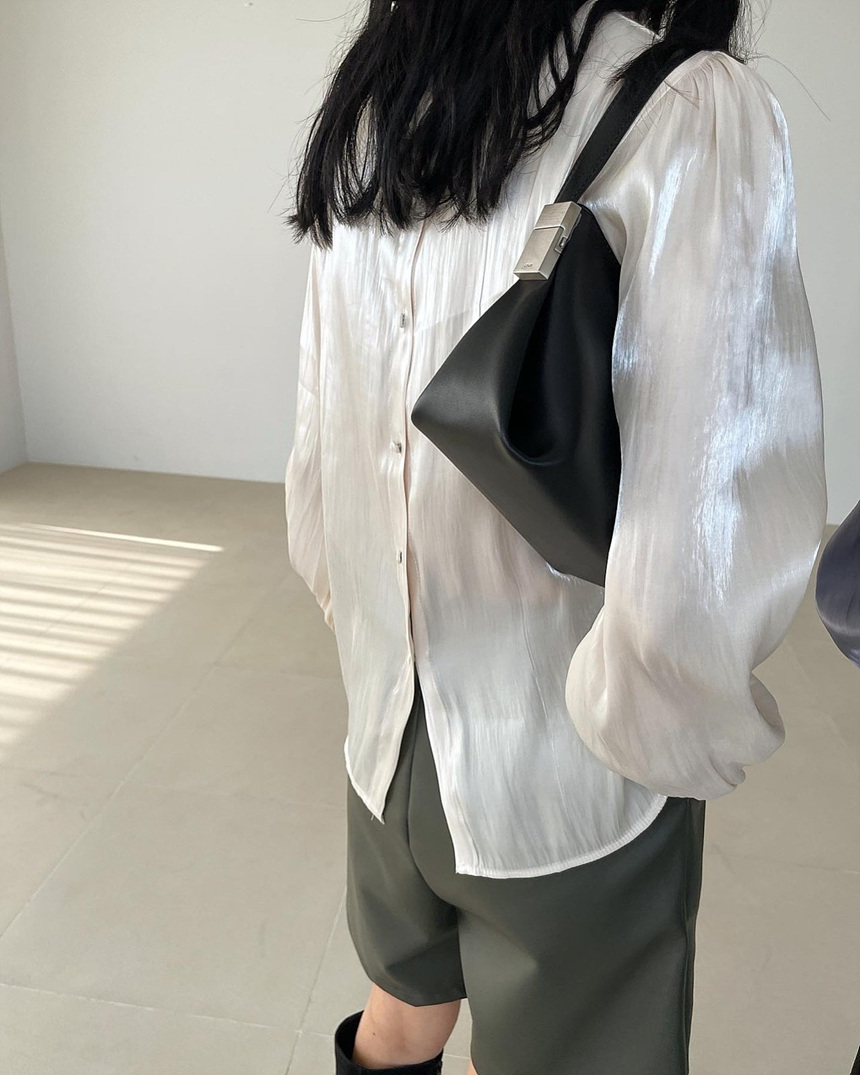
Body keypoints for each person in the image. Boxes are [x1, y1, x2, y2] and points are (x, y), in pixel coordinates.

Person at [283, 0, 828, 1072]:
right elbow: (717, 492)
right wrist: (653, 725)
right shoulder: (684, 105)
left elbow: (322, 425)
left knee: (397, 1020)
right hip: (564, 761)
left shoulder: (380, 98)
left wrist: (369, 625)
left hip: (389, 727)